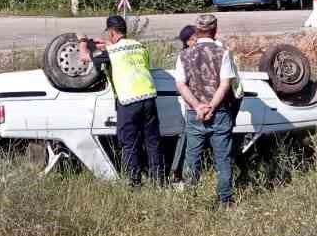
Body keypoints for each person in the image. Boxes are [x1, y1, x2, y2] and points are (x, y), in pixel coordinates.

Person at [78, 16, 163, 186]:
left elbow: (84, 57)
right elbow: (128, 57)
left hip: (129, 100)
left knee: (129, 143)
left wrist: (82, 41)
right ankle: (158, 181)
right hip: (149, 97)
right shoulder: (140, 46)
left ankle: (135, 182)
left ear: (111, 32)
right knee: (152, 141)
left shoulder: (112, 52)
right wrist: (107, 46)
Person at [172, 14, 242, 205]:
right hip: (219, 113)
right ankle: (225, 200)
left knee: (192, 157)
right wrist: (211, 106)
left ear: (197, 30)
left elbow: (181, 84)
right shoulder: (223, 53)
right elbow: (225, 84)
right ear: (215, 29)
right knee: (223, 159)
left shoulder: (184, 55)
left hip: (195, 114)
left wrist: (197, 106)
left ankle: (189, 199)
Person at [170, 24, 199, 186]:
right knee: (187, 138)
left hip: (193, 103)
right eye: (195, 38)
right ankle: (177, 172)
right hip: (190, 104)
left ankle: (180, 173)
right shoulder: (185, 56)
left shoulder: (190, 54)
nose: (199, 41)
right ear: (189, 41)